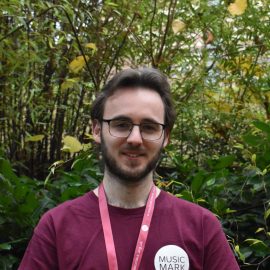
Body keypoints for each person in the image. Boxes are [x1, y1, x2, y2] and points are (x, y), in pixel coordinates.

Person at [19, 67, 240, 270]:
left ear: (166, 137)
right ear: (97, 130)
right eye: (121, 124)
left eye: (149, 127)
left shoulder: (201, 227)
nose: (135, 139)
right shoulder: (57, 227)